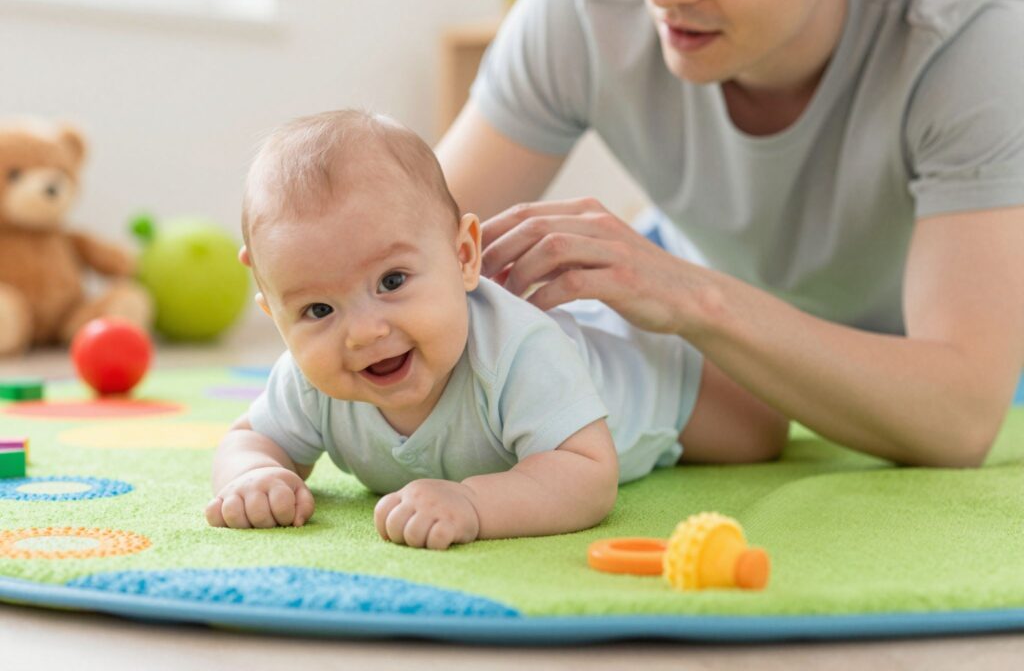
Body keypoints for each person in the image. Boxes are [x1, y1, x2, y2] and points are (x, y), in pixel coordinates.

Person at [436, 0, 1024, 468]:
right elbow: (414, 253)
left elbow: (960, 419)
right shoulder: (585, 0)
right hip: (717, 352)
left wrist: (692, 296)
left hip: (927, 350)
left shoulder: (970, 37)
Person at [206, 110, 784, 549]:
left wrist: (473, 503)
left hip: (657, 381)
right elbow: (250, 438)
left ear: (463, 256)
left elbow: (587, 475)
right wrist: (254, 476)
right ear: (273, 313)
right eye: (317, 312)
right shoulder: (307, 382)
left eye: (392, 281)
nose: (362, 333)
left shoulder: (517, 351)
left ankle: (718, 265)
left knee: (763, 433)